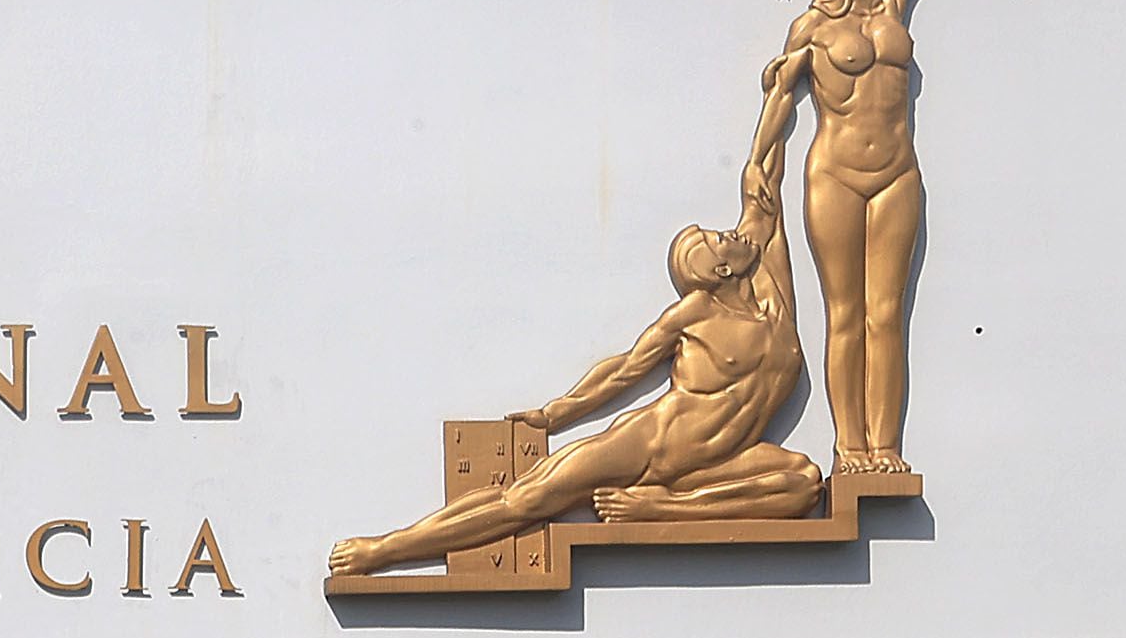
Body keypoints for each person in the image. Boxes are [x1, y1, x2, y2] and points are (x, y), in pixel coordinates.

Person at [327, 53, 819, 579]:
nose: (731, 233)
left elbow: (761, 175)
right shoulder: (694, 313)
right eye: (716, 239)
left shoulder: (772, 291)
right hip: (652, 446)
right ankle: (384, 550)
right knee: (526, 498)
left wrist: (778, 93)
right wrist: (555, 415)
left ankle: (659, 508)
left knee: (804, 483)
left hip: (716, 469)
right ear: (720, 270)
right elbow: (626, 369)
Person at [784, 0, 945, 478]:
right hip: (835, 174)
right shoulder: (810, 29)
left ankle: (887, 446)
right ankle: (850, 446)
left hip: (897, 172)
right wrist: (758, 171)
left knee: (888, 316)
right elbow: (777, 99)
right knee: (845, 314)